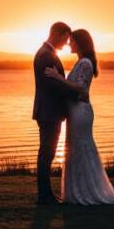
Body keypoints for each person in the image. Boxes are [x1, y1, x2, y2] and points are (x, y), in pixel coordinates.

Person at [45, 29, 114, 205]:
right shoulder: (81, 62)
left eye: (71, 41)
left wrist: (58, 78)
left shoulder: (85, 63)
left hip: (81, 112)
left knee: (82, 148)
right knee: (74, 149)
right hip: (75, 112)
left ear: (79, 43)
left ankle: (88, 192)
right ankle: (77, 191)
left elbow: (81, 89)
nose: (69, 44)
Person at [32, 21, 82, 204]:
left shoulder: (47, 53)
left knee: (47, 153)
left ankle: (45, 195)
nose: (67, 43)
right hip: (49, 112)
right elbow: (52, 85)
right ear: (57, 34)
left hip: (48, 111)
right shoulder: (46, 55)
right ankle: (44, 196)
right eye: (66, 38)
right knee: (47, 153)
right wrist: (76, 93)